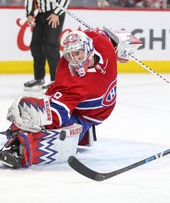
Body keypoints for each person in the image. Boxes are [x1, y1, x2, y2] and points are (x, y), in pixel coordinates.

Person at [0, 28, 142, 169]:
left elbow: (105, 34)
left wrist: (123, 45)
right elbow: (58, 111)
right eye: (70, 55)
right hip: (83, 115)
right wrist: (37, 121)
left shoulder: (102, 43)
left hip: (96, 113)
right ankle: (19, 147)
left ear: (89, 49)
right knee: (58, 130)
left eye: (77, 54)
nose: (74, 59)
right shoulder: (70, 80)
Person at [23, 0, 70, 91]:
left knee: (50, 46)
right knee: (36, 46)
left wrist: (56, 13)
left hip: (55, 13)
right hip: (41, 14)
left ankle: (57, 80)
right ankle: (39, 78)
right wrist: (30, 14)